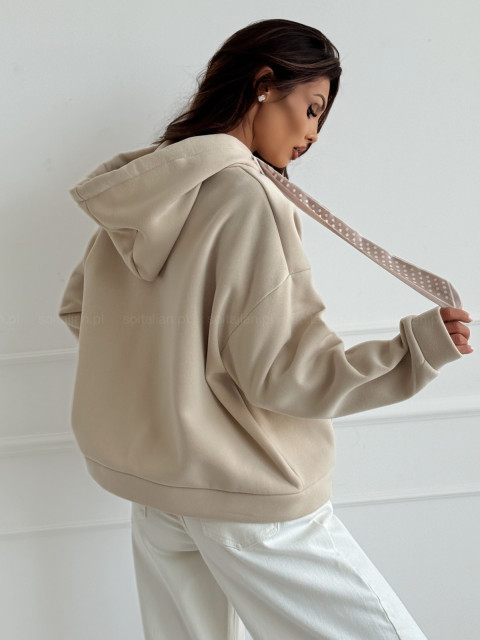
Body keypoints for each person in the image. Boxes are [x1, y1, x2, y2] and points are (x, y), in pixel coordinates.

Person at [58, 18, 473, 640]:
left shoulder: (141, 195)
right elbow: (285, 370)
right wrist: (414, 349)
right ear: (263, 83)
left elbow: (83, 312)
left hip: (157, 497)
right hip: (247, 501)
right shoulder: (247, 198)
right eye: (312, 108)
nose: (313, 134)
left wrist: (167, 387)